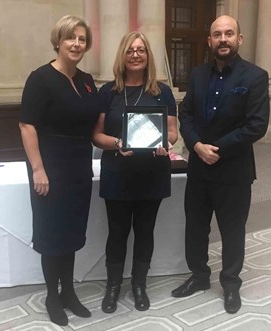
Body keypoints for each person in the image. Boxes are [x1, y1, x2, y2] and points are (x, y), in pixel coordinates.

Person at [171, 15, 270, 314]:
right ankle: (199, 276)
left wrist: (217, 148)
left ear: (239, 39)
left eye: (229, 33)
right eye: (217, 34)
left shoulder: (255, 76)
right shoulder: (198, 74)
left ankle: (230, 284)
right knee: (196, 227)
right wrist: (197, 146)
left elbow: (257, 125)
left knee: (232, 230)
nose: (223, 39)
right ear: (209, 41)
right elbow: (185, 114)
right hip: (199, 167)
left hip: (234, 171)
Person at [19, 15, 100, 326]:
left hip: (79, 164)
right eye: (70, 38)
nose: (77, 43)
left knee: (71, 232)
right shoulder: (40, 78)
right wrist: (38, 169)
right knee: (52, 234)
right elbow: (27, 126)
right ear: (58, 42)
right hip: (49, 166)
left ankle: (69, 292)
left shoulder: (88, 80)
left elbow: (95, 125)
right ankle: (53, 296)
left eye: (81, 38)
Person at [92, 31, 178, 313]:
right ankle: (113, 286)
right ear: (123, 55)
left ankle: (138, 285)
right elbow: (97, 136)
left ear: (148, 56)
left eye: (141, 50)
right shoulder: (109, 92)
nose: (136, 54)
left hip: (152, 172)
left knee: (145, 231)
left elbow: (173, 133)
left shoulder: (162, 91)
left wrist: (165, 143)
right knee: (117, 233)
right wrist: (118, 143)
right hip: (118, 172)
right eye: (130, 50)